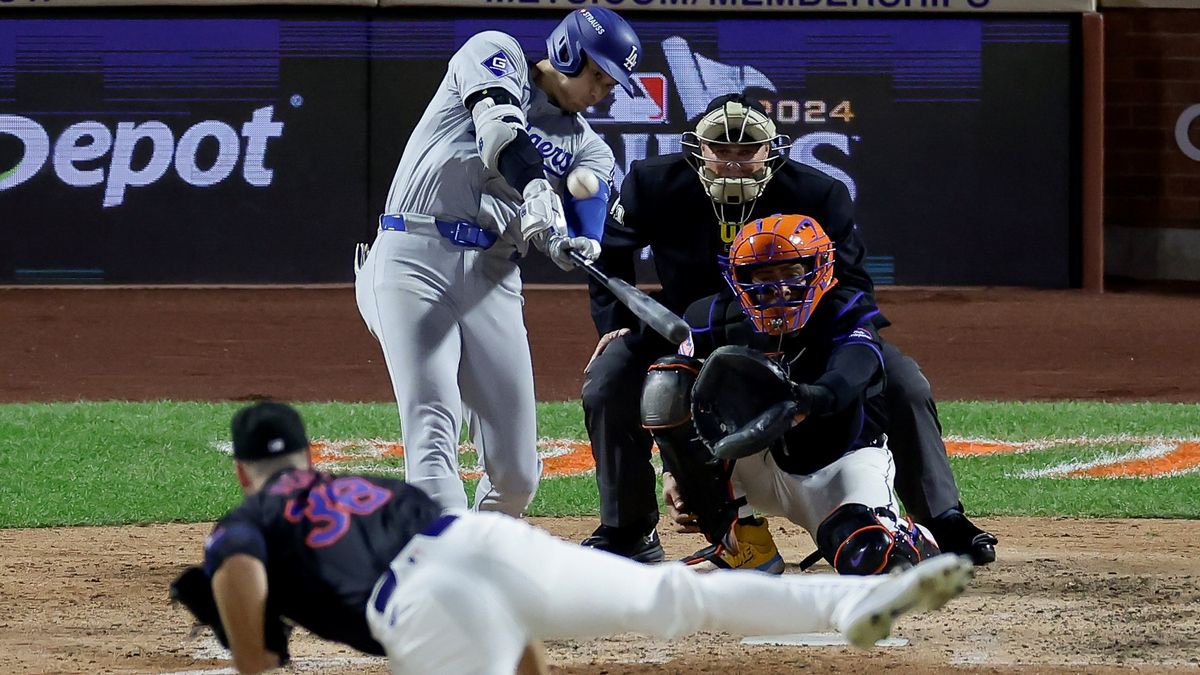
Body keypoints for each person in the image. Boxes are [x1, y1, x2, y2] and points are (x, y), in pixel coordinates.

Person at [170, 400, 976, 675]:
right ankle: (851, 602)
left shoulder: (246, 519)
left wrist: (253, 646)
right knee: (675, 593)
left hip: (421, 597)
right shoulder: (368, 487)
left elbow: (243, 576)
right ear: (308, 457)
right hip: (483, 545)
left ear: (244, 470)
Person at [581, 93, 997, 565]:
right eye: (721, 149)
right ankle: (632, 527)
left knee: (902, 380)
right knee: (610, 378)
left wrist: (837, 342)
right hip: (691, 324)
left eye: (746, 150)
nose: (734, 162)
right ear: (697, 149)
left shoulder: (819, 194)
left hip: (799, 325)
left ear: (770, 151)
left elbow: (853, 282)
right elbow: (609, 259)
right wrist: (613, 326)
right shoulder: (651, 183)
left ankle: (941, 520)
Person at [354, 8, 640, 517]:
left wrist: (575, 242)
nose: (602, 89)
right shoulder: (495, 51)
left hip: (495, 276)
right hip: (414, 255)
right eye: (597, 73)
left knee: (518, 474)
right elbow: (500, 134)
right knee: (433, 428)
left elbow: (589, 200)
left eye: (610, 81)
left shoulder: (589, 148)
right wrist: (534, 188)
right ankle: (441, 577)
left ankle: (484, 559)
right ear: (567, 51)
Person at [645, 214, 941, 576]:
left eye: (791, 274)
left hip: (837, 463)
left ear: (818, 270)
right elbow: (676, 404)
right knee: (666, 382)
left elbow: (850, 374)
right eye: (764, 278)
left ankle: (908, 536)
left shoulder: (845, 310)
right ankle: (742, 544)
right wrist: (674, 472)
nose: (779, 289)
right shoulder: (712, 317)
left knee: (869, 556)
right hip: (750, 460)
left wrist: (805, 399)